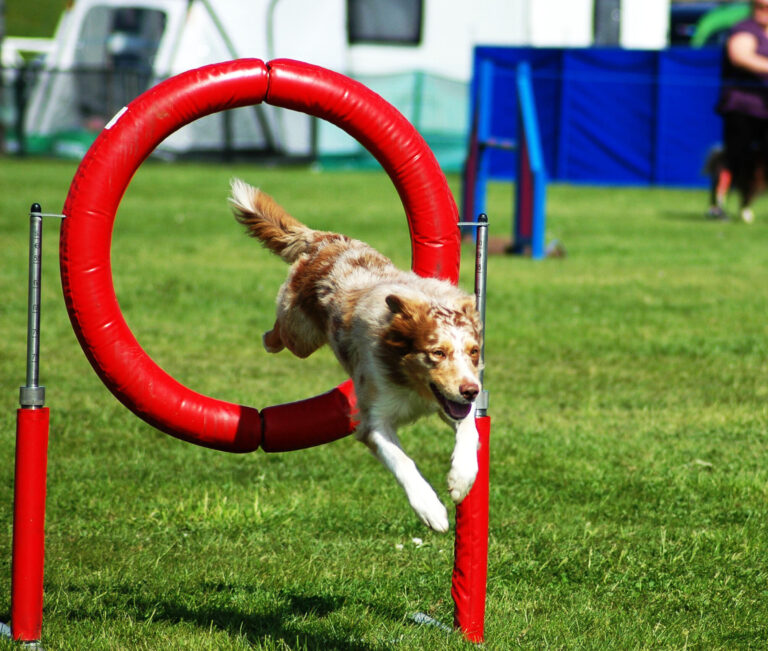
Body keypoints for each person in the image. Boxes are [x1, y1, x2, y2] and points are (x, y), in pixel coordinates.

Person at [712, 0, 768, 223]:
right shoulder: (744, 29)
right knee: (735, 155)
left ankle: (747, 203)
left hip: (766, 107)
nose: (763, 11)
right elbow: (740, 55)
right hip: (742, 106)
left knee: (762, 159)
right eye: (760, 6)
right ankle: (718, 204)